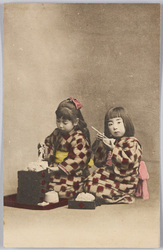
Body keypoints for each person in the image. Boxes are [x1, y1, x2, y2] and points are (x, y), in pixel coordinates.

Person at [84, 106, 142, 204]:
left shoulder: (132, 142)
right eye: (110, 124)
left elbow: (129, 164)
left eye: (119, 122)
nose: (115, 127)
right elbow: (99, 163)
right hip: (110, 176)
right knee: (88, 182)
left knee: (92, 187)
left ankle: (122, 196)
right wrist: (101, 144)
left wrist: (113, 149)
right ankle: (99, 194)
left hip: (125, 180)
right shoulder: (110, 140)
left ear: (126, 123)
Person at [42, 97, 92, 199]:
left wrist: (59, 168)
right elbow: (48, 144)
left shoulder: (79, 137)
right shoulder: (56, 133)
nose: (60, 125)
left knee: (62, 189)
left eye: (64, 123)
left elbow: (78, 158)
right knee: (40, 183)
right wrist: (43, 150)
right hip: (55, 169)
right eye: (58, 121)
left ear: (75, 121)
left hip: (73, 173)